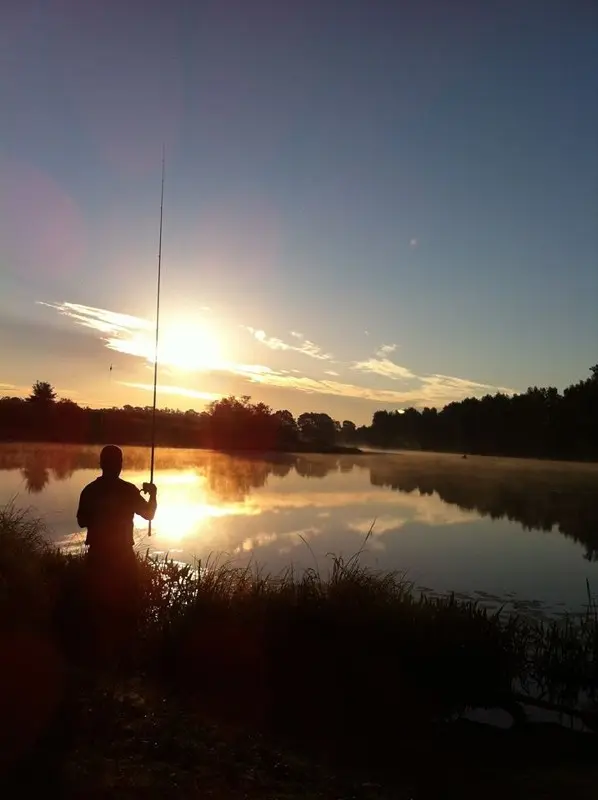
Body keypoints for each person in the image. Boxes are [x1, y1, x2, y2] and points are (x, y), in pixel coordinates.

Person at [75, 444, 157, 665]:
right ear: (120, 465)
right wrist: (154, 494)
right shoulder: (129, 490)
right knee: (126, 607)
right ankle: (122, 659)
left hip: (97, 556)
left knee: (96, 606)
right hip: (122, 558)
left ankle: (96, 659)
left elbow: (82, 521)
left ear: (101, 464)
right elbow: (149, 514)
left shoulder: (90, 490)